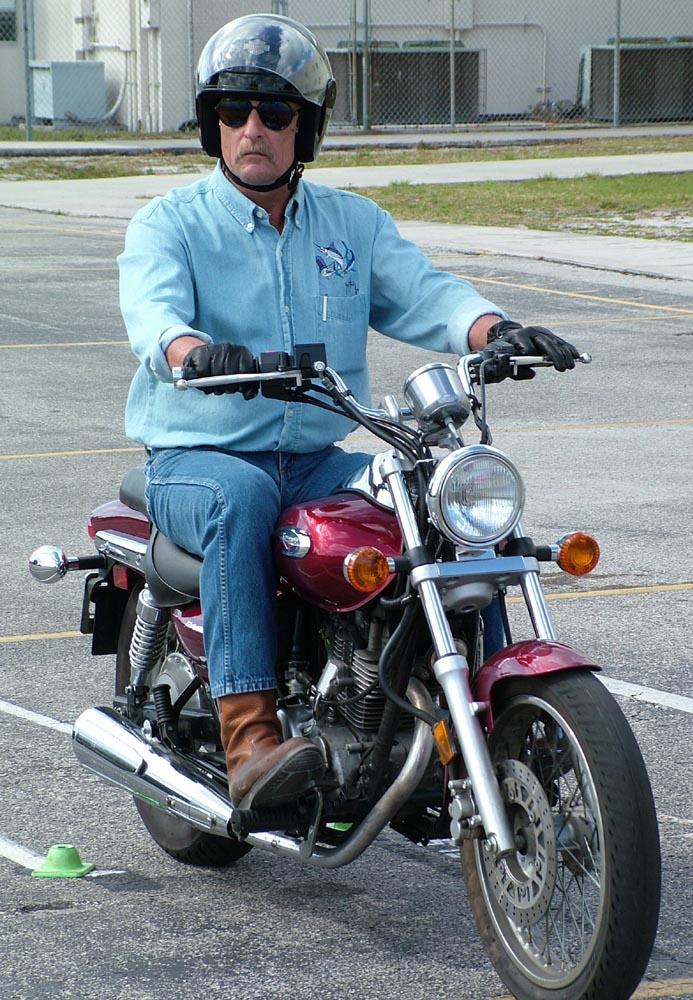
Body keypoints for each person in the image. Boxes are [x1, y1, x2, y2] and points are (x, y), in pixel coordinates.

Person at [118, 13, 579, 813]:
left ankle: (465, 712)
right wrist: (196, 353)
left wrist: (495, 330)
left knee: (441, 499)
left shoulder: (351, 224)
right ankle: (250, 739)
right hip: (199, 458)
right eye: (233, 111)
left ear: (306, 127)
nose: (253, 128)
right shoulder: (170, 224)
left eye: (275, 112)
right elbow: (153, 315)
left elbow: (426, 293)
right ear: (210, 123)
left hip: (316, 459)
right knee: (241, 499)